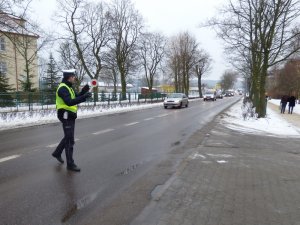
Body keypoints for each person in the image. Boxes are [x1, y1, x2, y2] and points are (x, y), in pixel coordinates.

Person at [52, 69, 92, 172]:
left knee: (68, 137)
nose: (75, 78)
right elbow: (69, 102)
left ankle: (57, 153)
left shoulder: (69, 87)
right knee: (70, 140)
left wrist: (84, 91)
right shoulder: (62, 88)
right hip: (65, 114)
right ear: (69, 77)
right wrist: (84, 97)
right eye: (73, 76)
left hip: (70, 115)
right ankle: (70, 164)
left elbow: (76, 97)